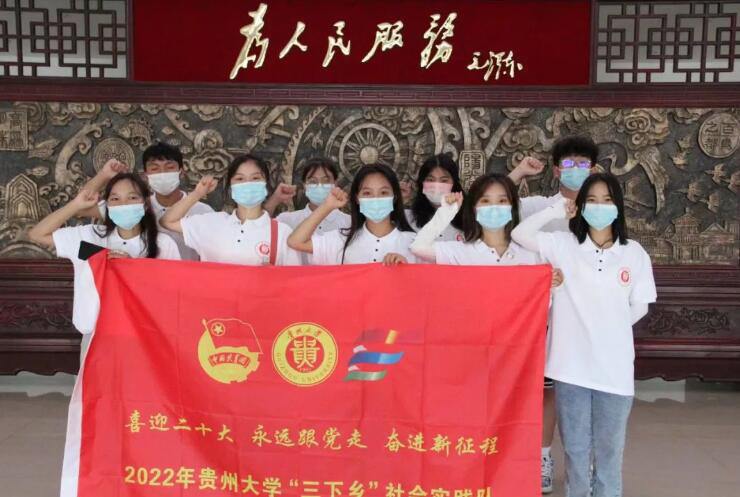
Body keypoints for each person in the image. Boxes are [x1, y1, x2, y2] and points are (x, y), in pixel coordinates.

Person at [511, 173, 656, 497]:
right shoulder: (563, 245)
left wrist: (607, 330)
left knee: (609, 453)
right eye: (591, 200)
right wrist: (555, 211)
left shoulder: (633, 253)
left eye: (607, 200)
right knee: (576, 451)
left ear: (618, 206)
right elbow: (520, 234)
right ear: (580, 206)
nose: (599, 206)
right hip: (570, 368)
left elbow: (639, 306)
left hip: (614, 371)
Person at [507, 135, 600, 492]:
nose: (576, 170)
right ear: (558, 169)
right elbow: (493, 201)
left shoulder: (602, 208)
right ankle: (542, 457)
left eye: (583, 164)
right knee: (546, 390)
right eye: (569, 164)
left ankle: (583, 461)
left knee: (583, 391)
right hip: (544, 313)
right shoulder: (537, 206)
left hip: (586, 313)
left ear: (594, 169)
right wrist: (519, 172)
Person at [28, 173, 181, 357]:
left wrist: (133, 270)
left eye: (132, 198)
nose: (123, 204)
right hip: (96, 338)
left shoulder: (163, 244)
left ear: (146, 203)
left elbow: (174, 296)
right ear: (106, 205)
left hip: (145, 339)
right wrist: (76, 204)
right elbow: (37, 234)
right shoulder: (89, 237)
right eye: (115, 199)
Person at [78, 142, 214, 260]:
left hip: (188, 278)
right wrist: (103, 175)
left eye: (169, 167)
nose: (162, 173)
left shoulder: (203, 211)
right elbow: (80, 207)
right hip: (143, 277)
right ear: (145, 175)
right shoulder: (134, 206)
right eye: (154, 168)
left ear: (181, 172)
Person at [159, 154, 301, 266]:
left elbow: (293, 283)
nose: (247, 184)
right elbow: (167, 221)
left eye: (255, 178)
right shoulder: (212, 223)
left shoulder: (282, 233)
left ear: (266, 184)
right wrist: (197, 194)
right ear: (230, 187)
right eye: (240, 179)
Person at [287, 163, 415, 265]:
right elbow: (296, 242)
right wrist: (327, 206)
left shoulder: (414, 243)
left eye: (383, 193)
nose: (375, 199)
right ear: (357, 198)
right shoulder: (342, 239)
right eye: (367, 193)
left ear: (394, 197)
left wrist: (407, 270)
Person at [273, 157, 351, 264]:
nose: (319, 185)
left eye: (326, 181)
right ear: (304, 186)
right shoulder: (286, 220)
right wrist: (274, 200)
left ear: (335, 183)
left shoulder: (349, 223)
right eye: (313, 181)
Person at [406, 153, 465, 241]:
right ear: (422, 183)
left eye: (444, 180)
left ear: (454, 184)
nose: (437, 185)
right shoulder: (408, 217)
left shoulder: (468, 218)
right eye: (430, 180)